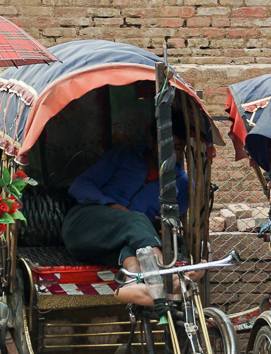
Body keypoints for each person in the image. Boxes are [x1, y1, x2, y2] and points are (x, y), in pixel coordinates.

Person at [62, 126, 190, 306]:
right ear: (151, 141)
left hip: (121, 242)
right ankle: (165, 274)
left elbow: (170, 220)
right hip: (85, 225)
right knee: (137, 220)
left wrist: (161, 228)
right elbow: (79, 185)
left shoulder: (182, 184)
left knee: (135, 246)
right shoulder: (123, 157)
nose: (170, 153)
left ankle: (133, 282)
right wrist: (113, 206)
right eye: (164, 145)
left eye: (176, 148)